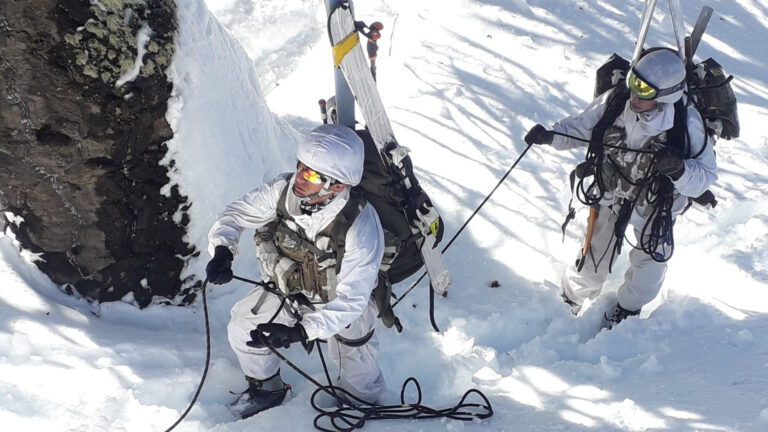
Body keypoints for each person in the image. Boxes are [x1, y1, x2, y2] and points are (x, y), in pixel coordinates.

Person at [524, 48, 717, 328]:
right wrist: (551, 137)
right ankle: (570, 301)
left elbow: (706, 176)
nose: (635, 97)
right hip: (611, 189)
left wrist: (679, 169)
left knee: (649, 264)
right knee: (593, 254)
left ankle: (627, 310)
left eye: (645, 93)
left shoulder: (687, 124)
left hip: (656, 203)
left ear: (664, 96)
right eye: (633, 87)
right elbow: (581, 128)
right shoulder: (616, 101)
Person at [205, 124, 386, 418]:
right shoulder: (282, 192)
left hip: (340, 302)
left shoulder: (361, 225)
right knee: (243, 325)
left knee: (357, 369)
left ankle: (361, 402)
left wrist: (301, 331)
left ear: (338, 185)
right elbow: (236, 214)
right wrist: (223, 250)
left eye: (313, 174)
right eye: (302, 166)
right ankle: (266, 388)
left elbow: (352, 300)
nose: (301, 177)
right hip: (287, 290)